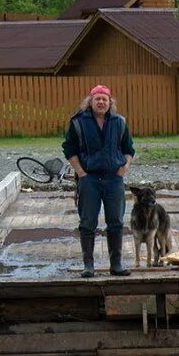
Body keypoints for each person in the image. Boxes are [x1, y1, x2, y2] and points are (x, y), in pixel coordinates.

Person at [62, 85, 137, 277]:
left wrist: (125, 167)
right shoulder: (78, 122)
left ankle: (116, 265)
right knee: (87, 222)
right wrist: (80, 171)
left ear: (110, 102)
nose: (101, 102)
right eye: (98, 99)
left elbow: (129, 148)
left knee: (116, 222)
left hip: (114, 178)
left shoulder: (119, 122)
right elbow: (69, 149)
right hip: (89, 179)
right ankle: (89, 266)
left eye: (105, 99)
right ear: (90, 101)